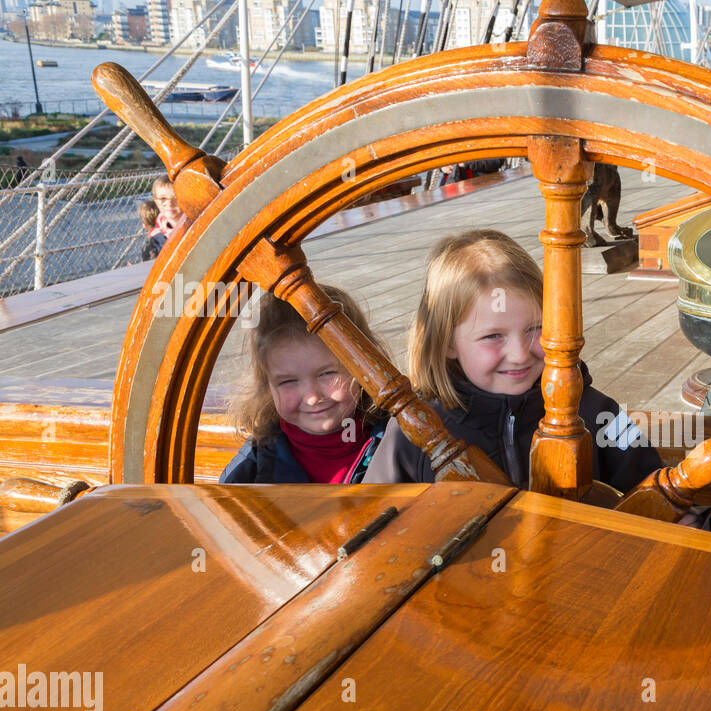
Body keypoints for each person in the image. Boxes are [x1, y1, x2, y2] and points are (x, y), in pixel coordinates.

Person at [363, 229, 666, 494]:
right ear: (446, 344)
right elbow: (373, 525)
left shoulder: (599, 412)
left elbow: (660, 497)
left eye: (536, 329)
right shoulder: (413, 431)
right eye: (493, 336)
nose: (520, 354)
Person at [220, 286, 388, 484]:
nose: (312, 397)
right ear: (267, 387)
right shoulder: (253, 466)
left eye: (327, 373)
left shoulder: (397, 444)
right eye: (288, 381)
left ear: (363, 368)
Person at [141, 176, 187, 262]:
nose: (169, 203)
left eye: (175, 198)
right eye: (163, 198)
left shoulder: (196, 227)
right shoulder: (155, 239)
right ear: (156, 201)